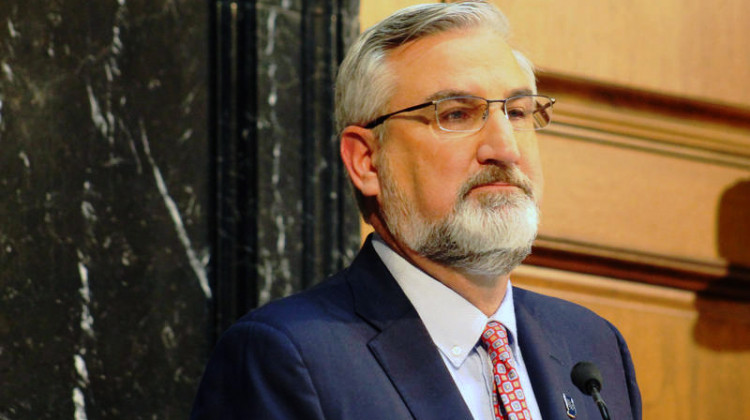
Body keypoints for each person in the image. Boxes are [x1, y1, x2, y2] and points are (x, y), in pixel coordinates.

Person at [191, 2, 642, 419]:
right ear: (367, 161)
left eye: (519, 113)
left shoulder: (593, 346)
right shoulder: (286, 358)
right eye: (457, 114)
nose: (505, 148)